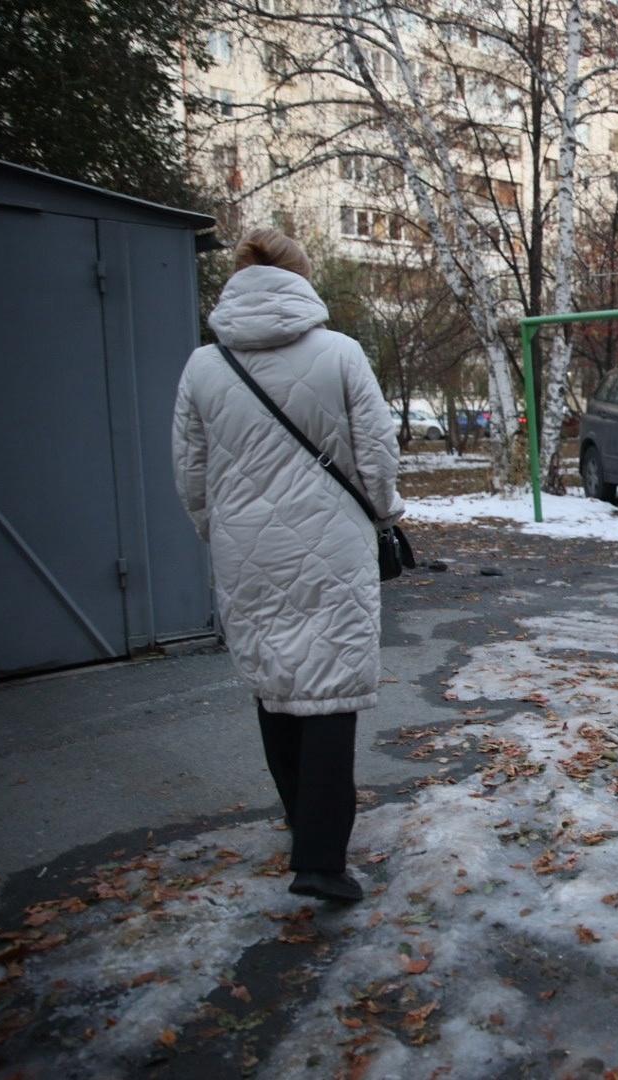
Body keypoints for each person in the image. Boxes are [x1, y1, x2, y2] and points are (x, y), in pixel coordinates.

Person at [172, 229, 402, 902]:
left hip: (244, 549)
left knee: (276, 682)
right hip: (333, 543)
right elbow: (378, 453)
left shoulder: (202, 367)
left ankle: (301, 821)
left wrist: (217, 530)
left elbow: (189, 473)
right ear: (302, 281)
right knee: (330, 686)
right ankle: (321, 861)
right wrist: (384, 511)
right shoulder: (340, 354)